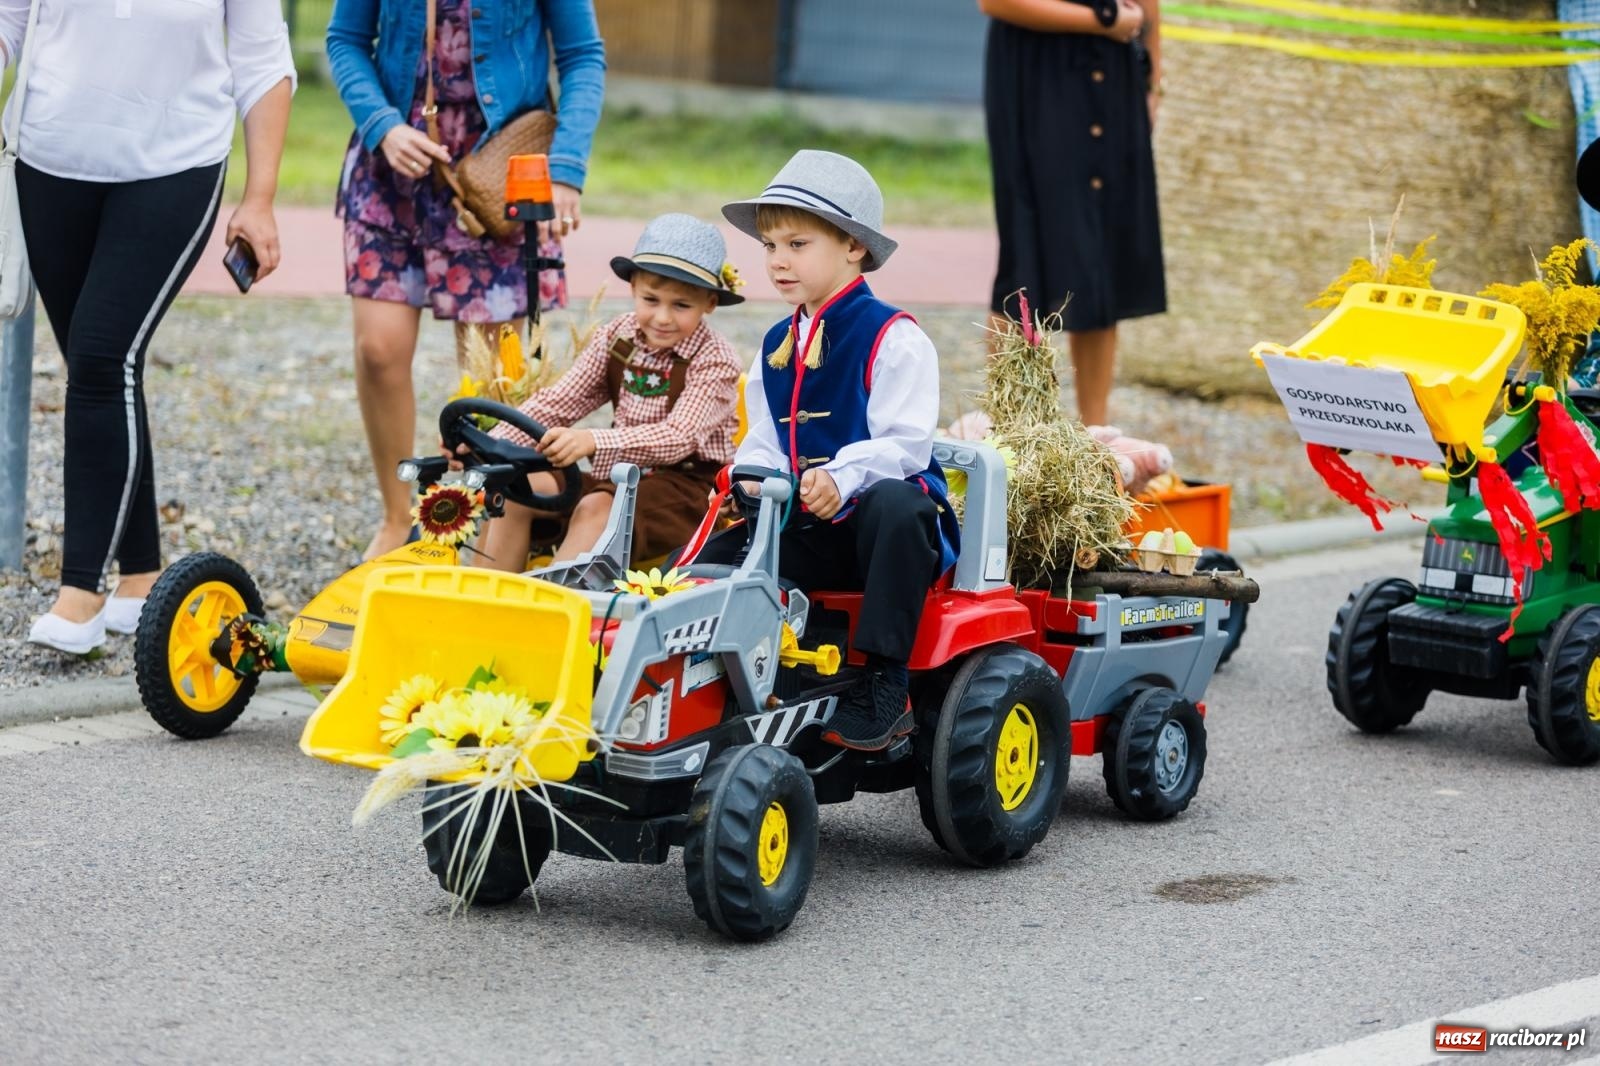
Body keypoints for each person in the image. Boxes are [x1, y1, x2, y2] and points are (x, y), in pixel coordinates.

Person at [3, 0, 295, 654]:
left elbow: (263, 60)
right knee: (97, 364)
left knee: (104, 357)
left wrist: (261, 196)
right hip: (49, 161)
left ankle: (79, 595)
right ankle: (140, 578)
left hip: (176, 163)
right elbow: (9, 24)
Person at [695, 150, 960, 752]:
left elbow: (906, 444)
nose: (779, 261)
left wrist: (841, 478)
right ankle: (718, 678)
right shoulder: (776, 342)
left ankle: (885, 686)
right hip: (810, 519)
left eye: (797, 244)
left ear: (853, 248)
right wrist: (753, 476)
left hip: (879, 534)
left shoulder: (894, 336)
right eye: (769, 247)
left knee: (899, 503)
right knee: (714, 559)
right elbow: (765, 433)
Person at [327, 0, 606, 561]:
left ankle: (487, 524)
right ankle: (395, 515)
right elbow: (345, 40)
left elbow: (582, 57)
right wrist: (381, 125)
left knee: (493, 379)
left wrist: (566, 169)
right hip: (393, 169)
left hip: (499, 176)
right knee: (378, 350)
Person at [480, 214, 744, 569]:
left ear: (709, 303)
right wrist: (490, 443)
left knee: (598, 506)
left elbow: (679, 436)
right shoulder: (619, 337)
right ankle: (488, 599)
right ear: (633, 287)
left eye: (681, 305)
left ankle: (557, 607)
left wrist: (593, 440)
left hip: (687, 490)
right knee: (517, 487)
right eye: (651, 300)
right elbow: (559, 402)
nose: (663, 317)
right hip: (619, 479)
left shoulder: (715, 358)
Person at [979, 0, 1165, 427]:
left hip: (1116, 71)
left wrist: (1153, 80)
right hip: (1036, 74)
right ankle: (1009, 435)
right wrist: (1104, 21)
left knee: (1103, 260)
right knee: (1026, 257)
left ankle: (1094, 440)